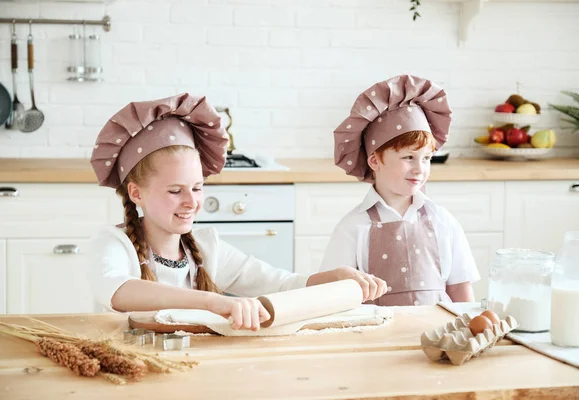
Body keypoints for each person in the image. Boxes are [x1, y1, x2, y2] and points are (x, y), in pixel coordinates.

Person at [87, 93, 387, 332]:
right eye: (175, 191)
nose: (191, 202)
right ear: (137, 193)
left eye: (197, 187)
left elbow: (280, 283)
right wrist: (213, 303)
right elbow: (117, 290)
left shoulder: (207, 248)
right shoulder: (115, 244)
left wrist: (332, 278)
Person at [319, 75, 480, 306]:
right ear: (374, 161)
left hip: (438, 336)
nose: (419, 169)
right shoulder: (353, 227)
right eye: (408, 157)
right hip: (377, 339)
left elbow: (461, 291)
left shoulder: (443, 221)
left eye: (426, 158)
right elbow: (331, 294)